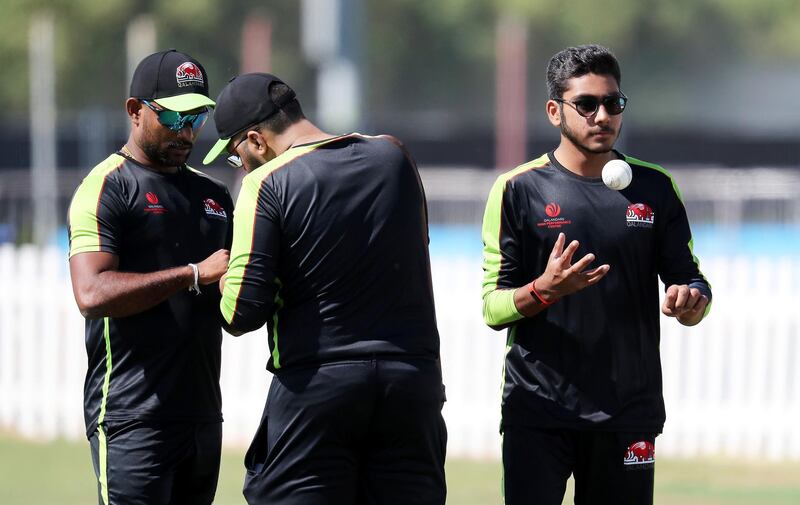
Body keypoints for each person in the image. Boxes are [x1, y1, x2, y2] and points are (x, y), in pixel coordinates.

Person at [481, 44, 712, 505]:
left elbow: (692, 283)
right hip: (539, 410)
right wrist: (545, 290)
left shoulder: (655, 187)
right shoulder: (517, 189)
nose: (602, 115)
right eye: (586, 104)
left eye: (613, 103)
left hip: (628, 411)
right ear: (555, 111)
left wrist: (689, 303)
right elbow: (492, 307)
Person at [203, 72, 446, 505]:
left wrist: (224, 283)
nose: (241, 166)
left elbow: (242, 313)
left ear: (257, 141)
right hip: (412, 383)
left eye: (237, 156)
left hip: (320, 387)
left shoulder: (266, 183)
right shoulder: (395, 155)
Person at [67, 49, 233, 505]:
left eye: (197, 118)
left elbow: (235, 300)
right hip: (130, 417)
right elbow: (91, 293)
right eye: (174, 118)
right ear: (135, 111)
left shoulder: (214, 194)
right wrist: (192, 275)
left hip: (202, 417)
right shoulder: (106, 186)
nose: (187, 132)